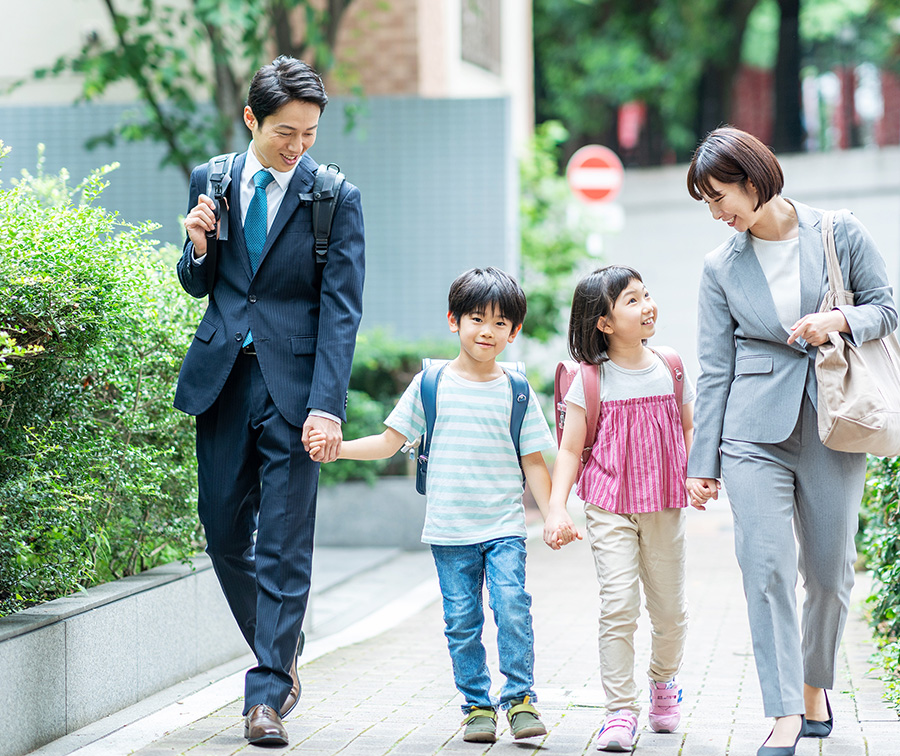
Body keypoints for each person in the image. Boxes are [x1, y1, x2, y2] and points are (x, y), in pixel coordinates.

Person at [684, 127, 898, 756]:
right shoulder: (719, 266)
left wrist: (839, 319)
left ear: (753, 180)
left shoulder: (839, 232)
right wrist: (705, 464)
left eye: (720, 196)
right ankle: (781, 712)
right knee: (765, 566)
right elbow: (713, 366)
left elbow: (885, 308)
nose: (717, 212)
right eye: (707, 203)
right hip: (753, 431)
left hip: (837, 421)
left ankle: (815, 684)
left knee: (828, 575)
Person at [176, 56, 365, 748]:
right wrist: (196, 250)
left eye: (310, 134)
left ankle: (265, 697)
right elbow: (202, 284)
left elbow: (342, 311)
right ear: (252, 119)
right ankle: (283, 650)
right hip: (223, 379)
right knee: (223, 532)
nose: (297, 147)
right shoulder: (213, 180)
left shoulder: (333, 197)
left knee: (285, 547)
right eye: (285, 131)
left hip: (297, 390)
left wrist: (328, 407)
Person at [310, 267, 559, 744]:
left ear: (515, 331)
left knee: (512, 607)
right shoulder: (431, 384)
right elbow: (388, 443)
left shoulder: (517, 389)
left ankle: (521, 700)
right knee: (462, 621)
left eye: (501, 323)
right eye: (476, 318)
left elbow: (535, 463)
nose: (487, 331)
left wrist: (553, 517)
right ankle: (476, 707)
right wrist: (335, 448)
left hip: (504, 525)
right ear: (454, 321)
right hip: (449, 529)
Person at [543, 265, 697, 752]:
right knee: (618, 607)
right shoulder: (589, 379)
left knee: (670, 611)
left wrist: (695, 475)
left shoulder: (669, 365)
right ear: (604, 322)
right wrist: (556, 508)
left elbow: (689, 427)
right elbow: (569, 450)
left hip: (665, 505)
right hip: (608, 506)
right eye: (632, 300)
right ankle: (619, 712)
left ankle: (664, 682)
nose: (647, 305)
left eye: (646, 295)